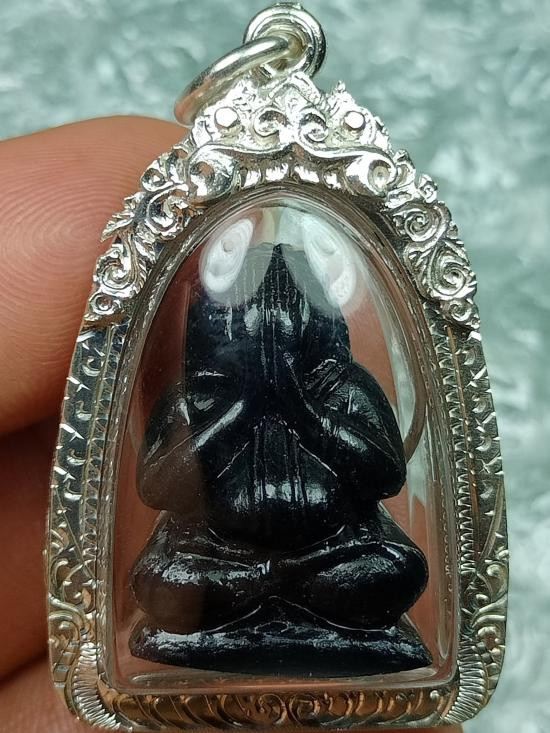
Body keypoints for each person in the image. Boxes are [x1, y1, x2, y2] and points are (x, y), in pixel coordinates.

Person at [0, 116, 462, 733]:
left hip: (336, 550)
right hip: (214, 555)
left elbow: (384, 475)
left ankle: (280, 589)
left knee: (397, 570)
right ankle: (270, 589)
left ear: (321, 330)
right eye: (247, 330)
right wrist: (242, 406)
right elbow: (157, 487)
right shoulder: (197, 397)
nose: (267, 342)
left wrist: (298, 406)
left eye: (286, 330)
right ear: (213, 332)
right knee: (162, 584)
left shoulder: (343, 387)